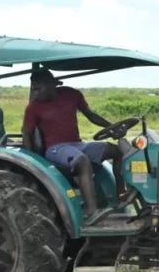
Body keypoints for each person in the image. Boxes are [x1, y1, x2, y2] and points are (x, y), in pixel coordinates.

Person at [21, 69, 131, 222]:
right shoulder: (34, 107)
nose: (35, 92)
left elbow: (91, 115)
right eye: (34, 88)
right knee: (82, 162)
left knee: (117, 151)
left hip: (77, 145)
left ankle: (121, 196)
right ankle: (91, 211)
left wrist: (112, 126)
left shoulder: (71, 95)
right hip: (56, 149)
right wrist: (32, 161)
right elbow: (26, 133)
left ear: (52, 84)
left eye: (39, 88)